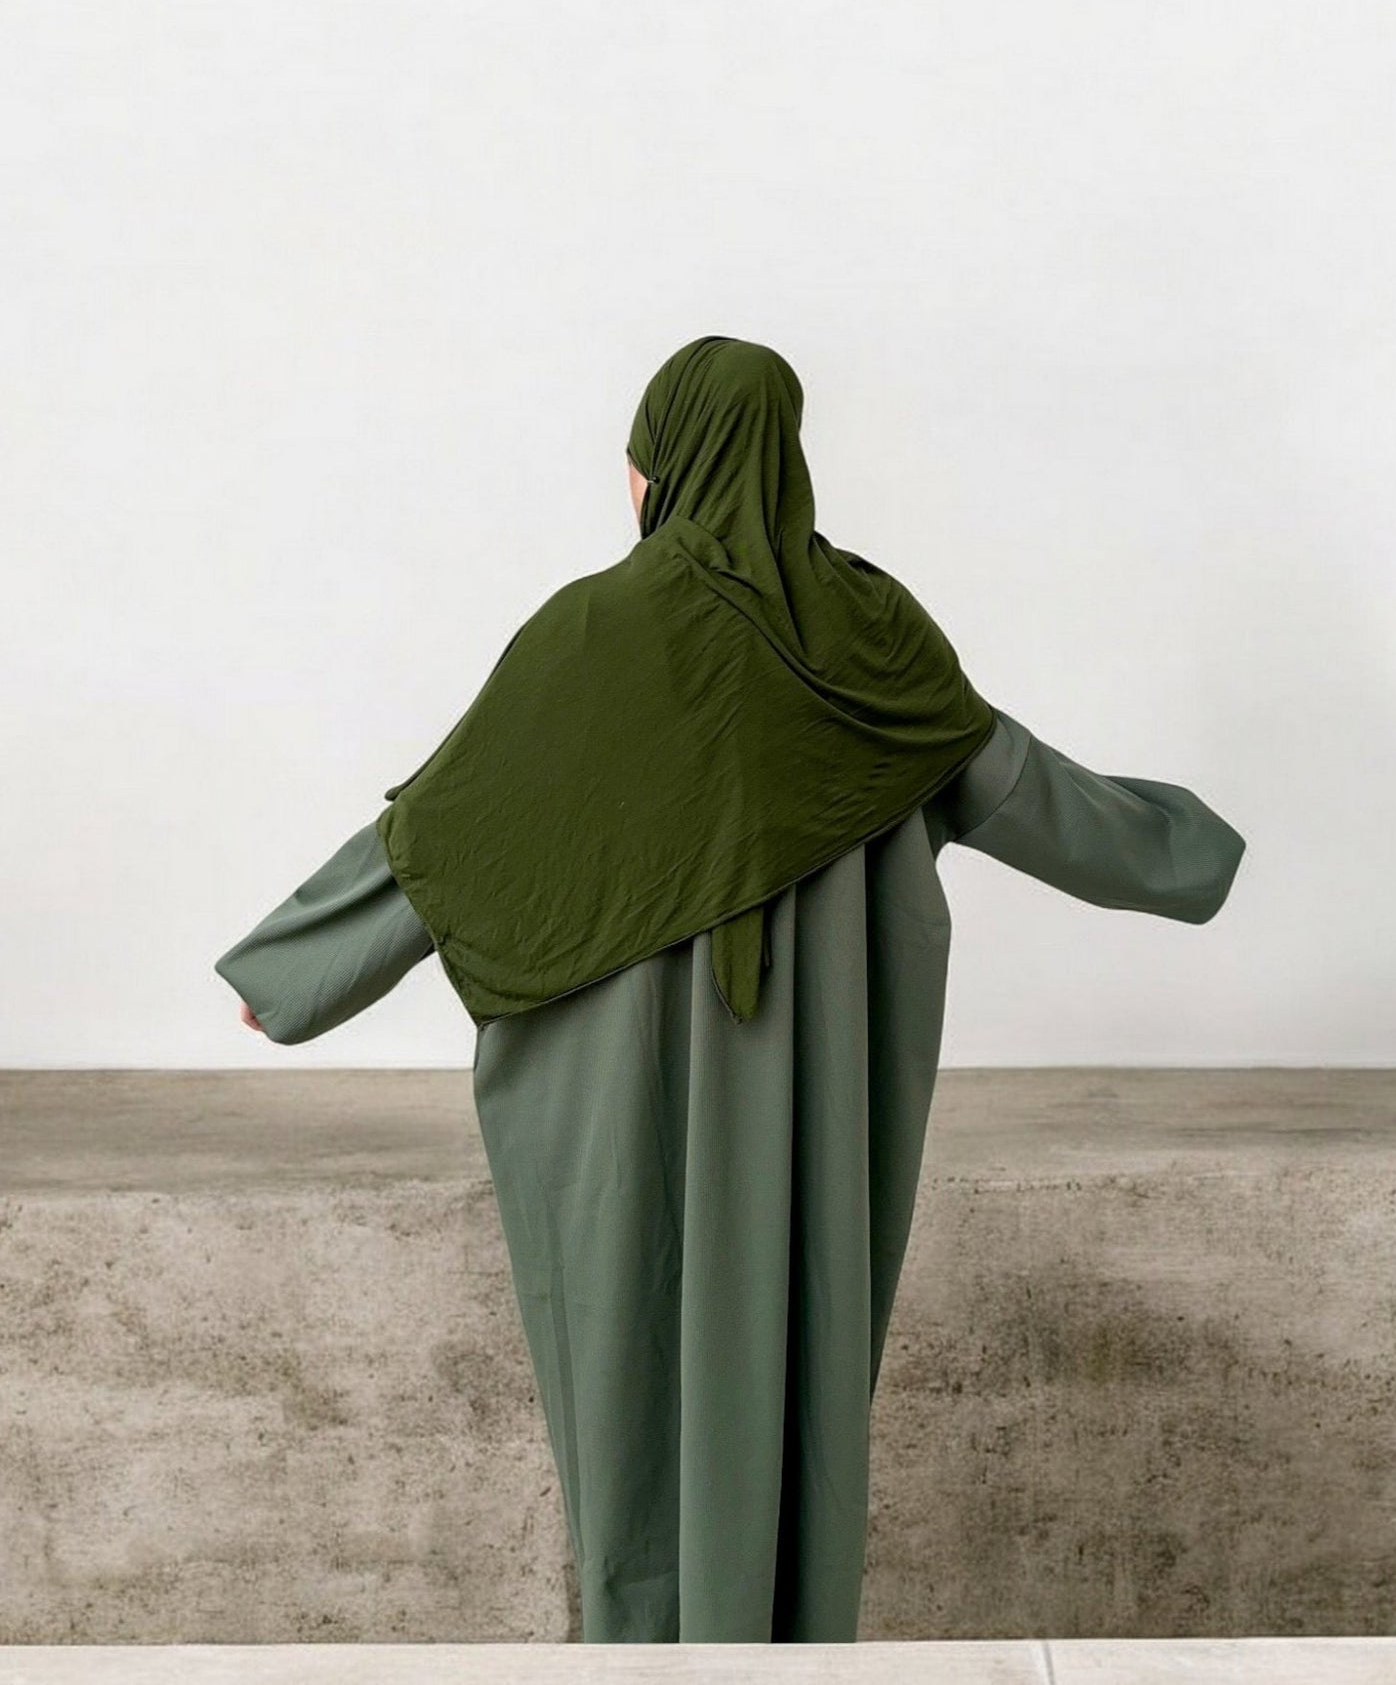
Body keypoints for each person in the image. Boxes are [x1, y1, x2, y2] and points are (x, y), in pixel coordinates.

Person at [215, 335, 1246, 1644]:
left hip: (617, 1099)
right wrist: (1188, 855)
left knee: (626, 1369)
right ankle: (789, 1659)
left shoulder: (592, 636)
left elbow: (443, 831)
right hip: (811, 1100)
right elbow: (1022, 788)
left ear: (663, 464)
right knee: (796, 1371)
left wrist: (294, 972)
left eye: (633, 460)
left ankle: (645, 1663)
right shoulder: (873, 639)